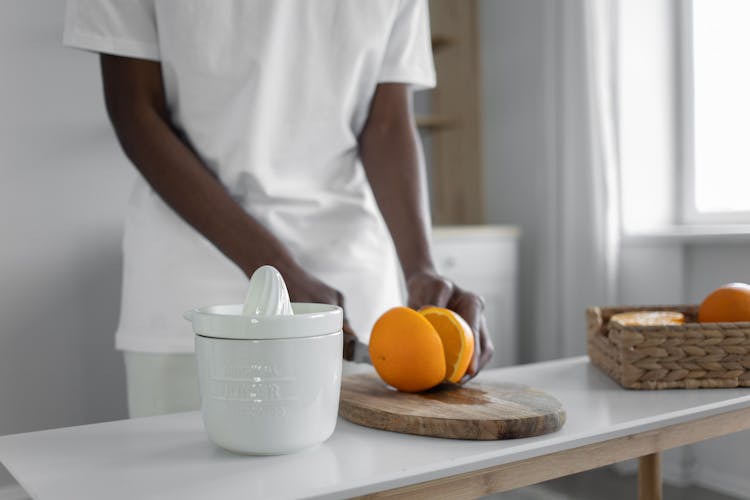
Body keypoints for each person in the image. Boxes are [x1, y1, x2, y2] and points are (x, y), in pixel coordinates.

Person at [64, 0, 493, 417]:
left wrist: (422, 269)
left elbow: (387, 123)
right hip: (198, 298)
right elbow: (136, 112)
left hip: (356, 293)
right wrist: (276, 270)